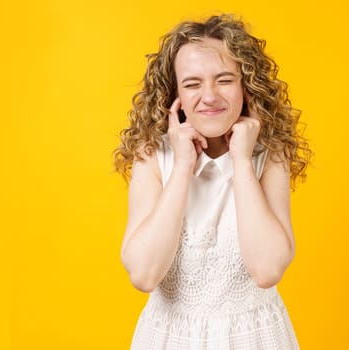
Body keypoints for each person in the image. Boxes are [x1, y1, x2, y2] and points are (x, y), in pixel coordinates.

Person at [113, 14, 312, 349]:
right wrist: (182, 166)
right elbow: (144, 275)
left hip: (256, 338)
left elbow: (267, 270)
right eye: (192, 84)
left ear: (247, 86)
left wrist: (241, 160)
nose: (209, 97)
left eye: (224, 80)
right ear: (173, 94)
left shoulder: (269, 155)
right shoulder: (152, 156)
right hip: (170, 338)